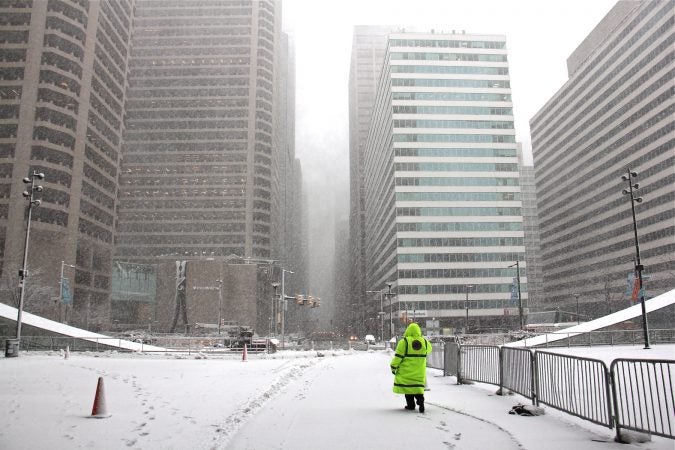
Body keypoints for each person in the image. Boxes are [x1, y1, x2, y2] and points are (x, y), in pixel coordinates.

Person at [390, 322, 432, 413]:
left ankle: (411, 405)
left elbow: (398, 357)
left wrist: (393, 367)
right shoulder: (425, 342)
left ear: (408, 331)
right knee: (418, 388)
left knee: (408, 389)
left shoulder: (404, 342)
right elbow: (429, 350)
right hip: (419, 372)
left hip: (406, 372)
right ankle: (421, 402)